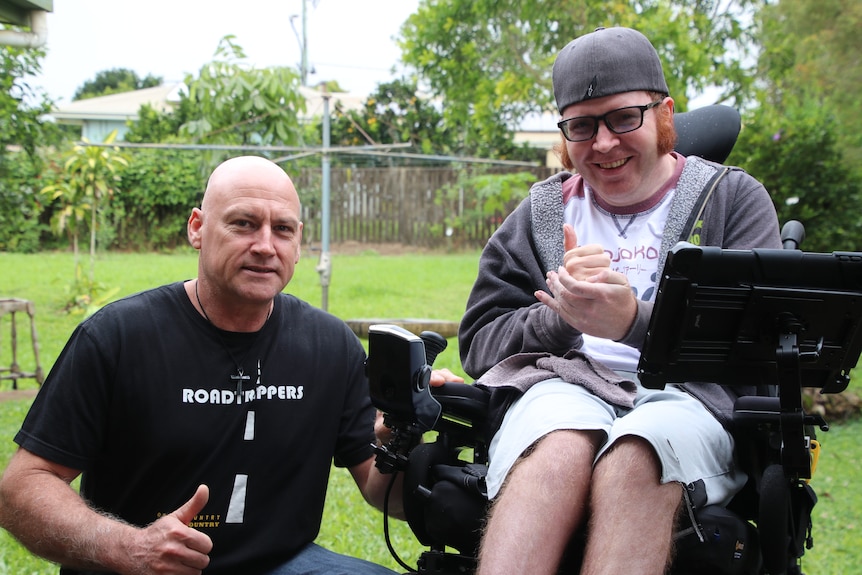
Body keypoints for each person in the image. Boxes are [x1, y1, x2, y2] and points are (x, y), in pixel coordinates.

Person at [0, 155, 461, 575]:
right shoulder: (118, 337)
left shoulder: (329, 344)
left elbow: (384, 495)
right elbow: (21, 489)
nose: (265, 245)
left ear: (299, 243)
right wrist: (128, 547)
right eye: (243, 224)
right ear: (197, 228)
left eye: (283, 230)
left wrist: (404, 432)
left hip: (285, 563)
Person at [458, 27, 781, 574]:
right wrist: (560, 316)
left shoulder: (730, 199)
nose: (603, 143)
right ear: (564, 133)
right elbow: (479, 343)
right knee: (556, 452)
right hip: (564, 385)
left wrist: (633, 322)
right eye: (582, 126)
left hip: (689, 399)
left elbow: (761, 342)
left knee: (638, 455)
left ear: (662, 114)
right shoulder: (540, 215)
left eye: (623, 118)